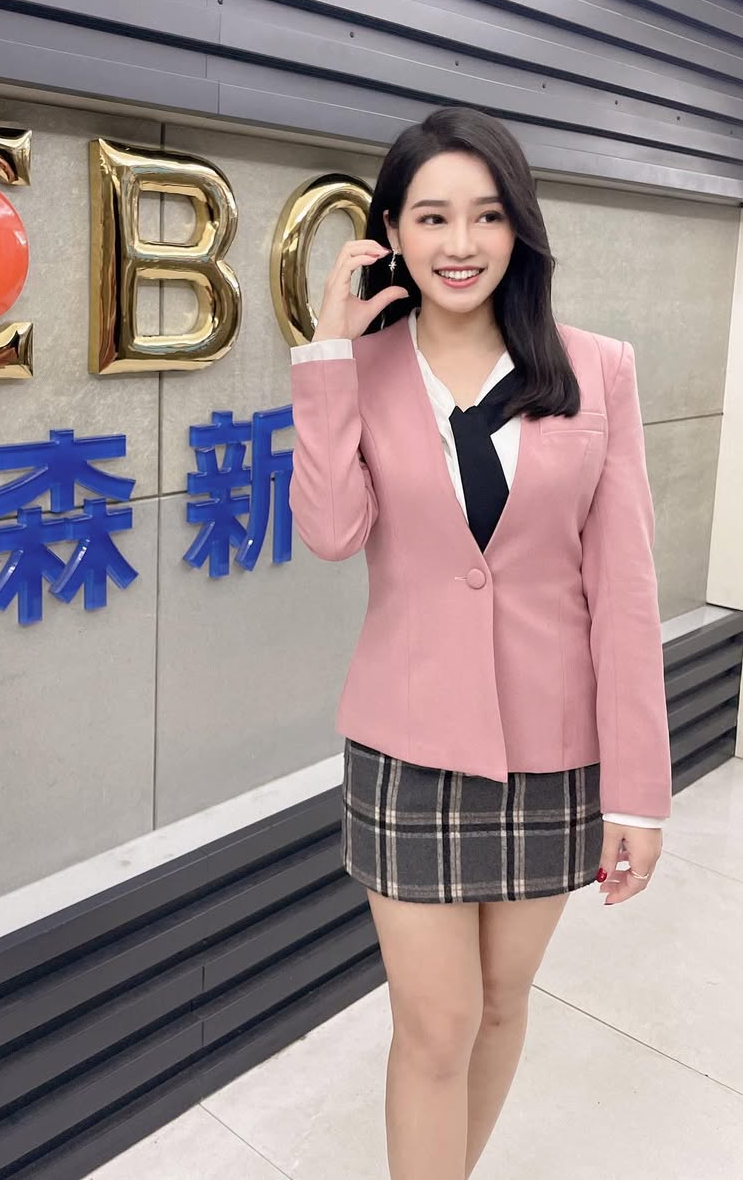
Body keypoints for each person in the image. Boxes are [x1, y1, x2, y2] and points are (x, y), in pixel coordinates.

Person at [288, 106, 672, 1180]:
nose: (461, 243)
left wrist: (639, 794)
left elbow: (624, 590)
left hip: (553, 749)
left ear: (519, 227)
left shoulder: (596, 370)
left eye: (487, 215)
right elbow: (330, 532)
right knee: (434, 1024)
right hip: (407, 748)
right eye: (432, 217)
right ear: (391, 235)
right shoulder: (360, 370)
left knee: (502, 1006)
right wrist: (325, 351)